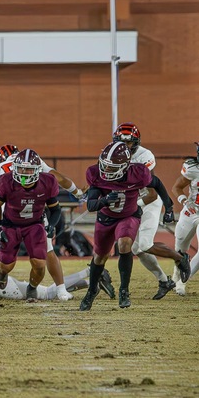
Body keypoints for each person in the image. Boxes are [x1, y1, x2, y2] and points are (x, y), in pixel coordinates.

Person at [79, 141, 190, 311]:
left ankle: (124, 291)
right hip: (106, 219)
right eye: (105, 165)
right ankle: (92, 290)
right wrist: (105, 201)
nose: (106, 170)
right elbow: (91, 205)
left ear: (124, 166)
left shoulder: (137, 173)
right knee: (99, 257)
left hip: (129, 215)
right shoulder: (96, 174)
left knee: (125, 245)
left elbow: (157, 184)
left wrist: (168, 206)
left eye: (111, 167)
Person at [0, 144, 87, 302]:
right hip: (9, 218)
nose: (25, 173)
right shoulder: (34, 163)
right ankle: (59, 288)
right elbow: (61, 178)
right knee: (49, 250)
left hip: (30, 216)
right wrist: (78, 193)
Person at [0, 149, 62, 302]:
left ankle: (32, 288)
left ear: (37, 170)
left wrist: (52, 225)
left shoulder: (47, 182)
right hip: (10, 224)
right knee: (6, 265)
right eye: (21, 168)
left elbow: (56, 209)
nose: (24, 172)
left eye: (28, 169)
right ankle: (2, 274)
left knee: (40, 264)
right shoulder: (6, 181)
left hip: (34, 224)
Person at [113, 122, 179, 299]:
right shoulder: (113, 154)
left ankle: (181, 259)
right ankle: (164, 281)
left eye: (128, 142)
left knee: (145, 245)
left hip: (148, 201)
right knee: (137, 250)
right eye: (121, 141)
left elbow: (151, 193)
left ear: (135, 142)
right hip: (132, 202)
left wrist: (132, 205)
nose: (124, 146)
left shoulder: (144, 156)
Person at [171, 141, 199, 295]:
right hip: (191, 211)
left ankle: (182, 282)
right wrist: (183, 200)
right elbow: (176, 187)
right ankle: (177, 271)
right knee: (180, 248)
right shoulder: (192, 168)